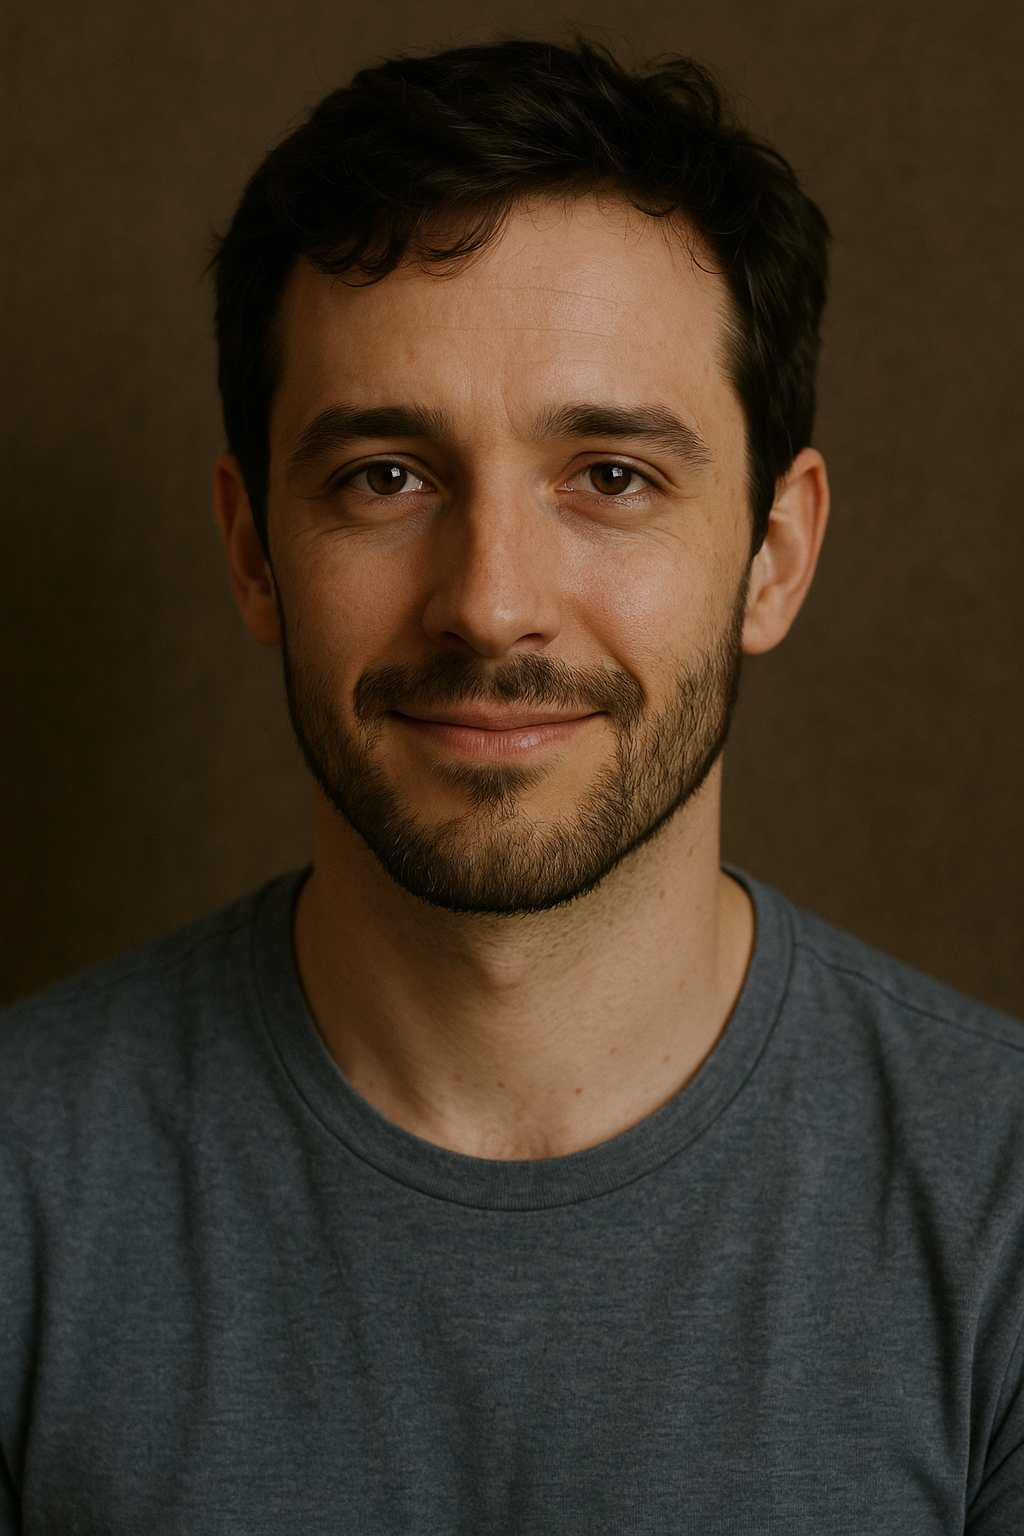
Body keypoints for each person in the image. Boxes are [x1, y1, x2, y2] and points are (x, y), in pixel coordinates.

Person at [1, 37, 1022, 1534]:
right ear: (249, 550)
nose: (488, 604)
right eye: (385, 477)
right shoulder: (21, 1193)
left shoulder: (998, 1213)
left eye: (611, 475)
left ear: (774, 555)